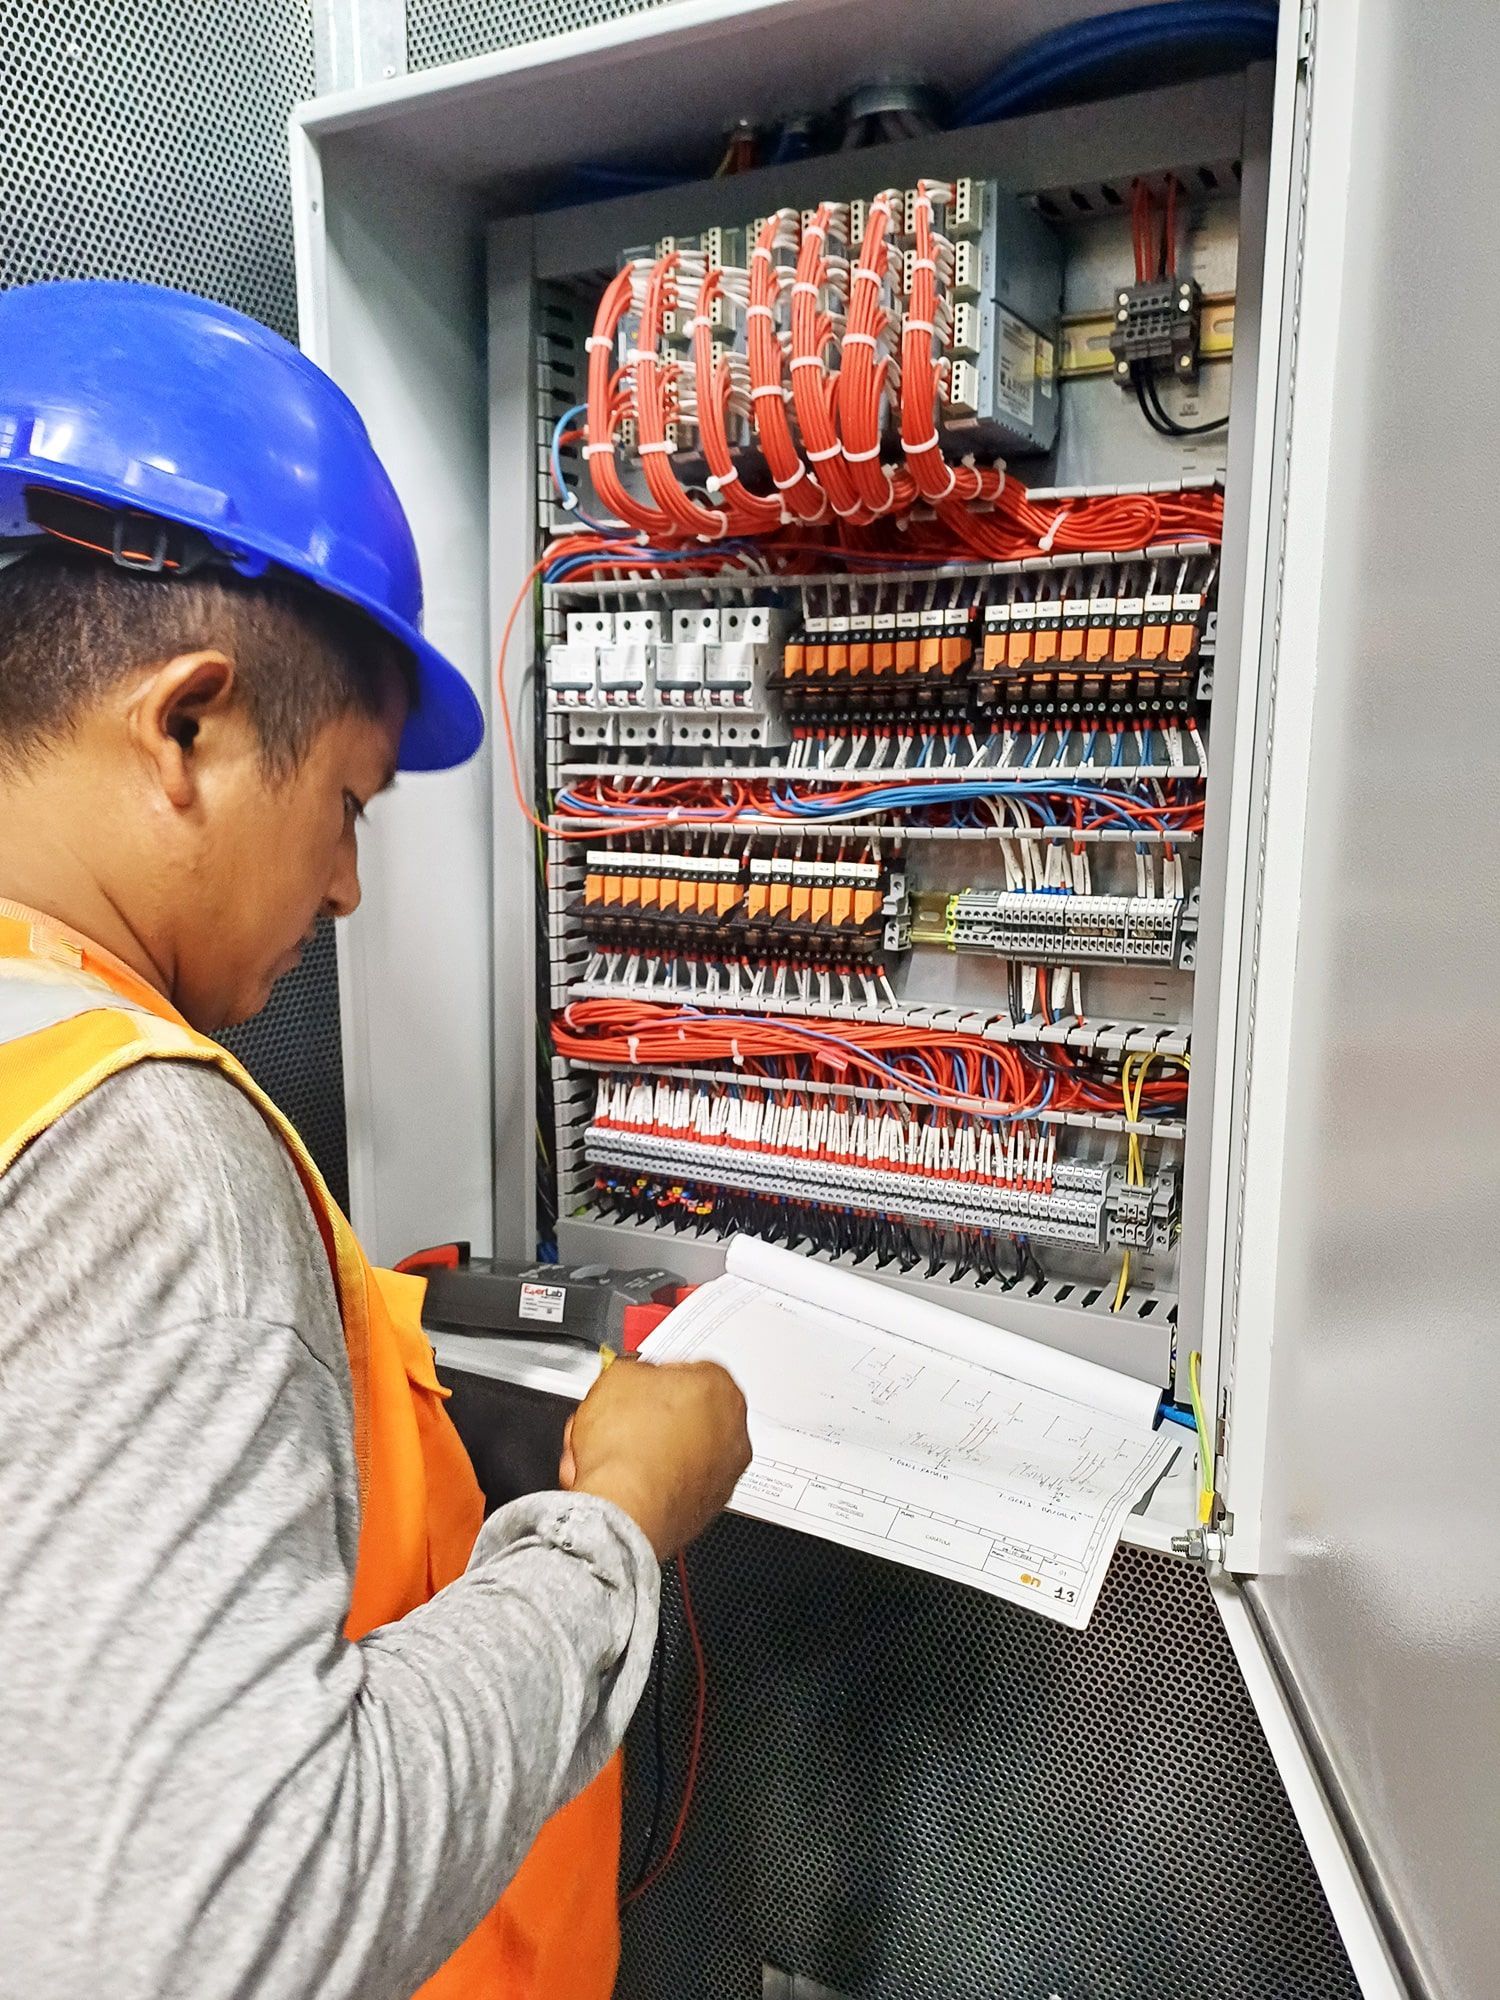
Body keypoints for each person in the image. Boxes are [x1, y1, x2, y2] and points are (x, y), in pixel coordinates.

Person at [0, 279, 751, 2000]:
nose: (347, 885)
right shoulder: (145, 1156)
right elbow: (229, 1930)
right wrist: (614, 1528)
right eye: (345, 804)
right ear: (187, 726)